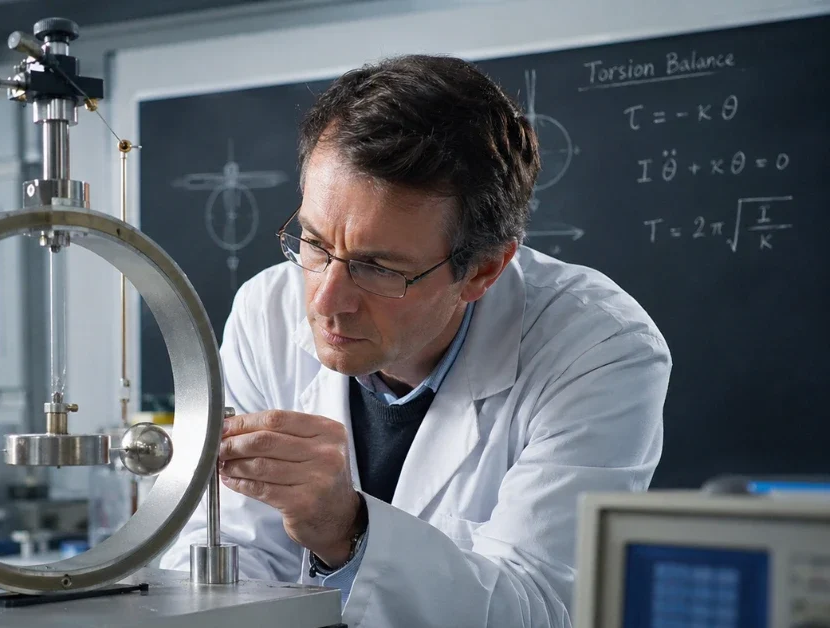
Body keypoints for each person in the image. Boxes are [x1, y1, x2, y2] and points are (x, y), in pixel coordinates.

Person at [158, 54, 670, 627]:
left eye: (378, 268)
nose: (325, 302)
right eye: (313, 243)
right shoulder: (266, 311)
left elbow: (543, 609)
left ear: (481, 271)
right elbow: (223, 553)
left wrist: (348, 530)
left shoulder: (597, 349)